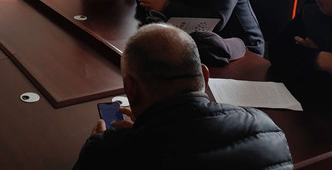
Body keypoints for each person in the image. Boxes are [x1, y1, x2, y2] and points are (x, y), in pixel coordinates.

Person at [73, 24, 293, 169]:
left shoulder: (108, 154)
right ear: (205, 76)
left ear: (131, 88)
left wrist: (96, 146)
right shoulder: (268, 130)